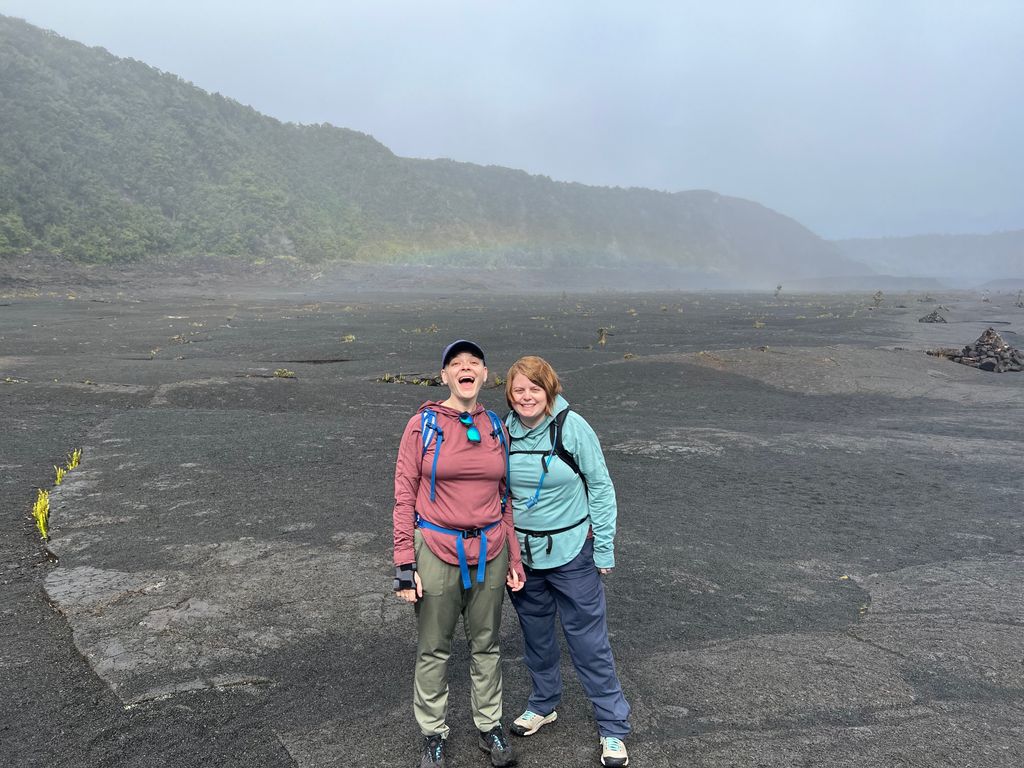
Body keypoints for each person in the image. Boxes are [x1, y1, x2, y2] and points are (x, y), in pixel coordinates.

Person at [393, 339, 526, 768]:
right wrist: (404, 565)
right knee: (434, 647)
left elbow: (505, 498)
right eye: (455, 363)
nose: (464, 368)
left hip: (490, 549)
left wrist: (514, 557)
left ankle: (489, 726)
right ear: (445, 376)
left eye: (473, 363)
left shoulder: (496, 427)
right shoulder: (423, 425)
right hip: (435, 548)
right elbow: (404, 496)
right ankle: (433, 733)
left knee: (487, 643)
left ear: (485, 375)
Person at [503, 355, 632, 768]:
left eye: (534, 388)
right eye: (518, 390)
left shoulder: (572, 427)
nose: (526, 396)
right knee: (536, 637)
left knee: (588, 643)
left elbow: (601, 485)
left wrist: (604, 548)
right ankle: (543, 704)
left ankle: (613, 727)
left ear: (549, 389)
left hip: (573, 553)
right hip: (523, 556)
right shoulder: (503, 431)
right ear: (509, 394)